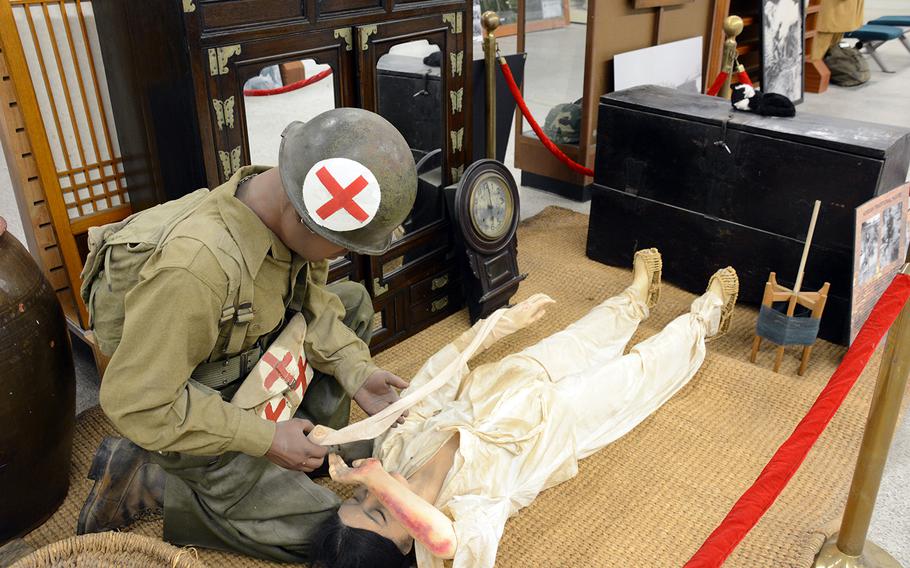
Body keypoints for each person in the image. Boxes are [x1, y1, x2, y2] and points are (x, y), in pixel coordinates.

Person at [77, 108, 417, 562]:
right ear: (303, 216)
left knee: (350, 302)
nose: (342, 253)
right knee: (341, 539)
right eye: (343, 243)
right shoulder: (197, 270)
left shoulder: (286, 200)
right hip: (182, 390)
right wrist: (265, 438)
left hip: (239, 349)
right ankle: (160, 478)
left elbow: (307, 297)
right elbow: (137, 400)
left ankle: (310, 447)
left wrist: (358, 373)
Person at [314, 249, 740, 568]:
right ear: (411, 544)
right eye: (379, 508)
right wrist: (377, 481)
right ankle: (706, 318)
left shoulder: (394, 452)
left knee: (581, 338)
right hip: (558, 424)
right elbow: (444, 539)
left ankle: (635, 301)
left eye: (359, 493)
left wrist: (497, 326)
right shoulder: (464, 515)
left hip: (505, 385)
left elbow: (434, 382)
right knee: (641, 371)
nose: (373, 486)